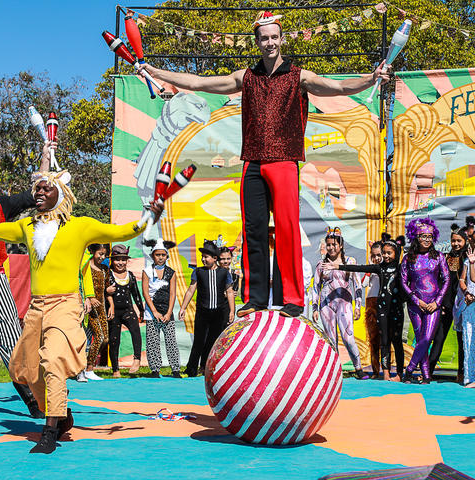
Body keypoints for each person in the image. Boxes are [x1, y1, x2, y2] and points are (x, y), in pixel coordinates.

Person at [138, 10, 389, 319]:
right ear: (256, 42)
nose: (270, 42)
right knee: (254, 230)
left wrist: (371, 79)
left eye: (274, 37)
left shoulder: (300, 76)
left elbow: (337, 88)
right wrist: (157, 72)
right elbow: (199, 82)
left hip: (284, 161)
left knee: (286, 230)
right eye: (264, 38)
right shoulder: (246, 77)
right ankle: (255, 297)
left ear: (281, 40)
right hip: (253, 163)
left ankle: (292, 298)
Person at [0, 168, 162, 454]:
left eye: (46, 188)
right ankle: (58, 414)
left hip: (65, 305)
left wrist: (148, 218)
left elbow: (120, 231)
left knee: (53, 361)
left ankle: (49, 431)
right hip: (37, 308)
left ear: (61, 194)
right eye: (36, 188)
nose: (38, 192)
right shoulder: (26, 227)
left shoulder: (80, 226)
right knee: (25, 368)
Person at [0, 140, 53, 418]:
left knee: (14, 345)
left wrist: (45, 160)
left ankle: (34, 400)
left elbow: (35, 195)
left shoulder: (1, 204)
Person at [323, 234, 406, 381]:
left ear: (396, 253)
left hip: (396, 308)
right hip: (380, 307)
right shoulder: (379, 268)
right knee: (382, 340)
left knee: (396, 341)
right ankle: (384, 372)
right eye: (383, 253)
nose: (384, 256)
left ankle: (399, 373)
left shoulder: (400, 269)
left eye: (387, 253)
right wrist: (338, 266)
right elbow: (359, 268)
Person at [312, 227, 367, 380]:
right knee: (331, 339)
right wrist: (315, 308)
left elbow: (357, 284)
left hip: (345, 303)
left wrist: (357, 305)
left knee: (348, 337)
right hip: (326, 305)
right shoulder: (320, 264)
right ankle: (335, 371)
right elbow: (316, 287)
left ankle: (358, 368)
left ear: (341, 245)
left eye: (334, 244)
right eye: (328, 244)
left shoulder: (350, 261)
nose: (331, 247)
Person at [401, 218, 450, 384]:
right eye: (423, 236)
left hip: (434, 305)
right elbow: (403, 282)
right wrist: (416, 300)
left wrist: (437, 302)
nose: (427, 240)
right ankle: (426, 375)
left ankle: (409, 370)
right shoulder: (409, 258)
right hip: (415, 305)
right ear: (416, 237)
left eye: (430, 237)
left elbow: (447, 279)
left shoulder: (439, 257)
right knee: (421, 338)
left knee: (427, 338)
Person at [179, 240, 235, 377]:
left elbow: (229, 292)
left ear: (215, 258)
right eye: (202, 257)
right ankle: (191, 369)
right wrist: (183, 307)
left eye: (206, 257)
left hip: (218, 312)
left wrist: (232, 311)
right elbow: (191, 290)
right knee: (199, 341)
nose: (203, 259)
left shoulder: (223, 273)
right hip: (202, 312)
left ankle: (205, 368)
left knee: (212, 341)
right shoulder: (198, 272)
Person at [429, 224, 467, 380]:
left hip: (463, 305)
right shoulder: (446, 257)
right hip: (446, 304)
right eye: (453, 241)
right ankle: (428, 371)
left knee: (463, 341)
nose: (456, 244)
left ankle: (462, 373)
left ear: (465, 241)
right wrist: (442, 303)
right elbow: (443, 282)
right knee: (438, 338)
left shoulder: (468, 258)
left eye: (459, 241)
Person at [142, 239, 181, 378]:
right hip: (152, 313)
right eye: (157, 255)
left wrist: (169, 312)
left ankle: (175, 369)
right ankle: (155, 369)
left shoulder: (171, 273)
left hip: (167, 313)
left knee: (171, 340)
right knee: (153, 341)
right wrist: (154, 311)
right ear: (153, 256)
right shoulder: (147, 271)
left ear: (167, 256)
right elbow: (146, 292)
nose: (160, 257)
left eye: (163, 255)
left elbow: (172, 293)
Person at [106, 244, 144, 377]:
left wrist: (141, 310)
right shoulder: (108, 275)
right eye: (117, 259)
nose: (120, 263)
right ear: (112, 260)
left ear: (127, 261)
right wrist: (106, 291)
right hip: (113, 313)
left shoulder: (130, 275)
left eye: (123, 260)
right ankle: (115, 369)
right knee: (114, 340)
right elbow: (99, 291)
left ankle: (137, 359)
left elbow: (136, 294)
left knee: (136, 333)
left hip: (128, 310)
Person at [80, 243, 110, 381]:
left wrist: (112, 306)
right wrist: (90, 299)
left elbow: (107, 289)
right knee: (98, 337)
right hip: (90, 308)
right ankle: (88, 368)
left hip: (102, 307)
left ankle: (87, 364)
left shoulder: (104, 269)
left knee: (105, 339)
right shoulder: (86, 266)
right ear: (92, 252)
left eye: (104, 254)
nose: (102, 257)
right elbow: (83, 285)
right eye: (100, 254)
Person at [361, 241, 383, 377]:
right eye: (373, 256)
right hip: (371, 303)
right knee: (373, 339)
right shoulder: (371, 269)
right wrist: (370, 268)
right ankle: (375, 370)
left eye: (378, 255)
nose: (376, 258)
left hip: (384, 304)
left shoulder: (387, 268)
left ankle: (386, 370)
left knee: (386, 339)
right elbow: (363, 284)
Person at [459, 250, 475, 387]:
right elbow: (463, 280)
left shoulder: (471, 261)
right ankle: (470, 377)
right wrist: (467, 292)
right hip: (470, 305)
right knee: (469, 340)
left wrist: (472, 263)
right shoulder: (468, 261)